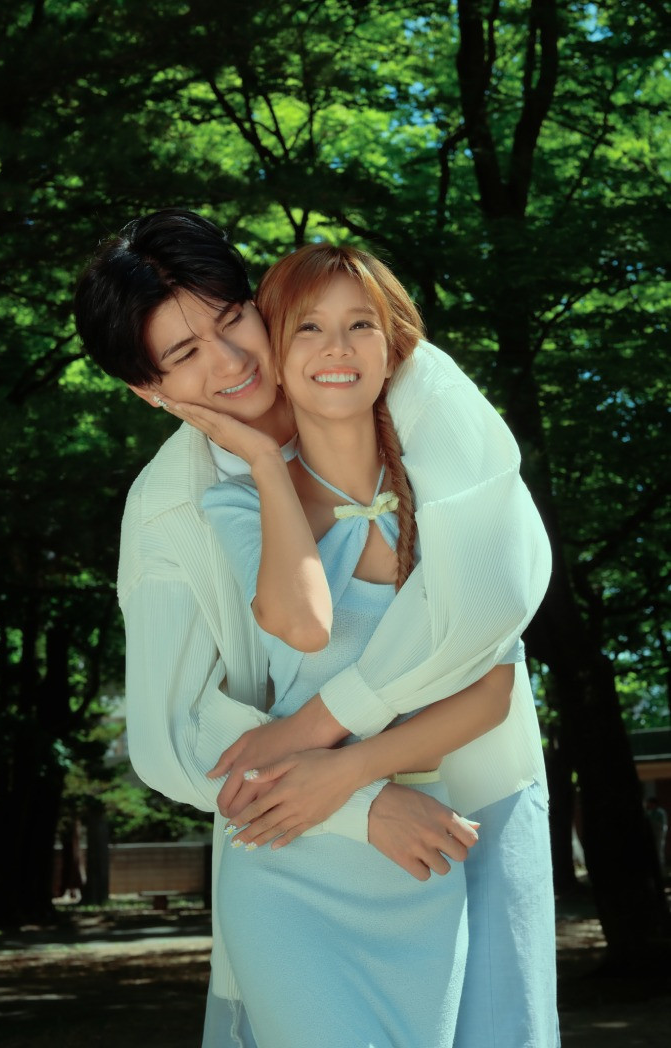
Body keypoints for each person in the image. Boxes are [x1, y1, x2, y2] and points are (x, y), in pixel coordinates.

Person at [73, 209, 558, 1047]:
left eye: (233, 320)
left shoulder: (399, 382)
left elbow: (494, 598)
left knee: (496, 1020)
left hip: (478, 790)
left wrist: (323, 728)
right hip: (301, 834)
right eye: (185, 354)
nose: (231, 362)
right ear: (149, 391)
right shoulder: (172, 511)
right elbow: (171, 735)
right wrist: (358, 801)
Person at [195, 243, 531, 1046]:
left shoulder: (450, 499)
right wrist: (265, 462)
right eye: (307, 327)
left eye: (360, 326)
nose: (336, 347)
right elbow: (301, 622)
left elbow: (491, 693)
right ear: (276, 354)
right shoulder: (235, 503)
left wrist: (348, 771)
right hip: (288, 858)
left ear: (394, 348)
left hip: (417, 848)